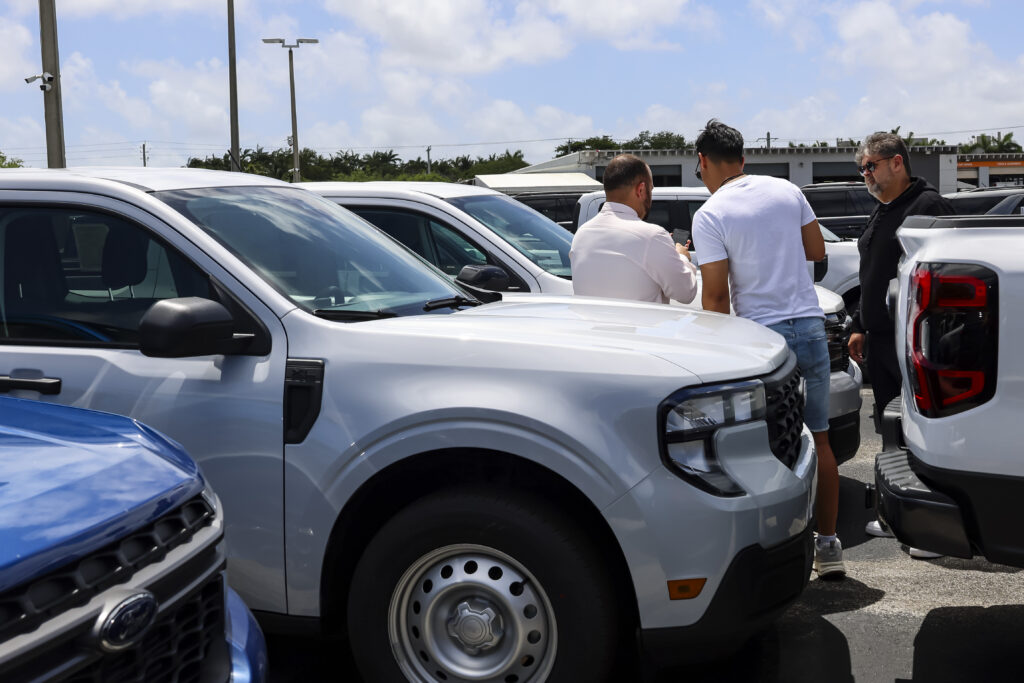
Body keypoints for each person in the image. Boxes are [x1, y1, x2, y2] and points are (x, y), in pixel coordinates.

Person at [690, 119, 845, 579]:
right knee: (821, 441)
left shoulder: (711, 214)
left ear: (703, 162)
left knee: (769, 452)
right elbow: (816, 250)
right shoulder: (786, 190)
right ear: (742, 158)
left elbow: (715, 296)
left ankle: (779, 557)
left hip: (762, 343)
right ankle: (829, 547)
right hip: (810, 326)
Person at [848, 132, 953, 554]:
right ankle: (896, 515)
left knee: (922, 431)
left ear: (897, 162)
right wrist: (860, 323)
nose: (865, 175)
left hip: (917, 341)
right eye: (862, 169)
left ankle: (933, 530)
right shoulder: (884, 209)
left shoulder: (927, 207)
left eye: (870, 166)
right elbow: (872, 274)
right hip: (880, 339)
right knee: (891, 431)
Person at [570, 154, 698, 304]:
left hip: (589, 320)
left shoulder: (581, 234)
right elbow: (686, 293)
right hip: (640, 320)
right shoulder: (652, 236)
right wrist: (682, 256)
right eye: (651, 189)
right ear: (641, 190)